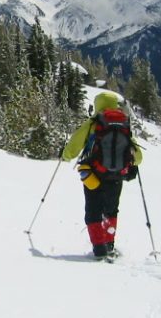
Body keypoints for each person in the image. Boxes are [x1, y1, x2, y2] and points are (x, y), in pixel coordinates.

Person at [61, 91, 143, 259]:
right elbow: (138, 157)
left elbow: (73, 146)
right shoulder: (124, 125)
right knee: (111, 210)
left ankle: (99, 248)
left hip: (94, 174)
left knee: (93, 210)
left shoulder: (93, 123)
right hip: (117, 176)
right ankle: (109, 245)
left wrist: (65, 155)